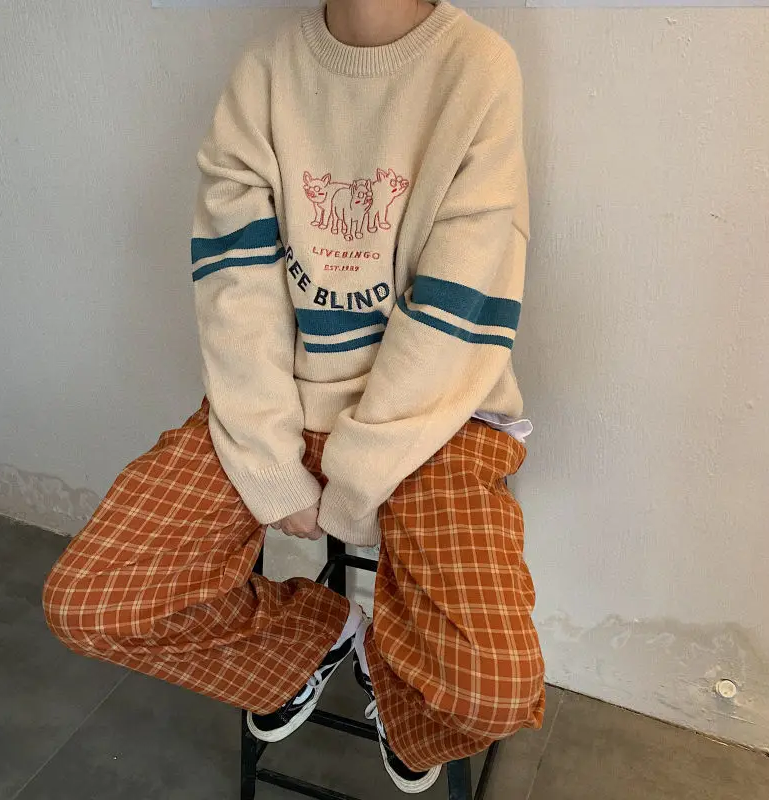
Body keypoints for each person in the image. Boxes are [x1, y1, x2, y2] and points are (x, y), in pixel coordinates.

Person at [42, 0, 545, 792]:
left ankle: (399, 685)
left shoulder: (476, 68)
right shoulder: (266, 74)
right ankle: (318, 639)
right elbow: (235, 285)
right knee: (92, 600)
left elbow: (462, 303)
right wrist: (272, 463)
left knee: (497, 690)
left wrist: (355, 479)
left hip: (439, 419)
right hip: (277, 403)